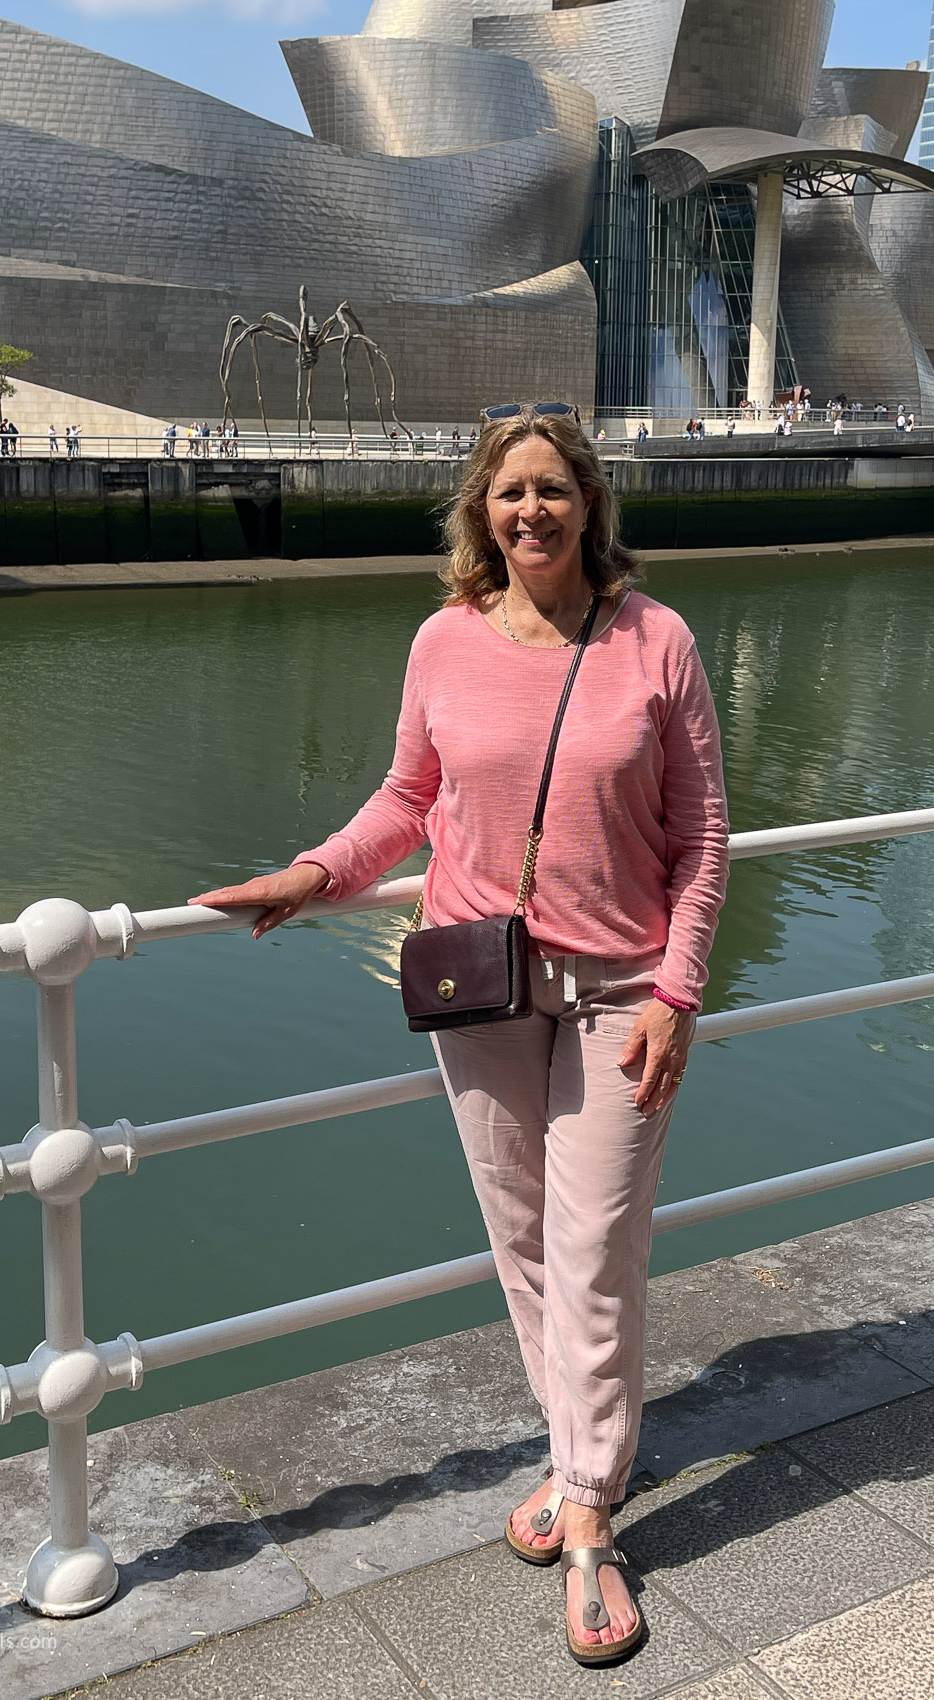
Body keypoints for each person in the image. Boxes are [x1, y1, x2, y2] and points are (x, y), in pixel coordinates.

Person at [189, 408, 728, 1669]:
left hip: (619, 985)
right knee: (525, 1238)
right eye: (507, 493)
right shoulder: (443, 638)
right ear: (480, 512)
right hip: (477, 981)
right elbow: (406, 799)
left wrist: (678, 989)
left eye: (551, 489)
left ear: (590, 503)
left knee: (594, 1247)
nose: (529, 512)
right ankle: (577, 1455)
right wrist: (312, 874)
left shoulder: (657, 641)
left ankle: (589, 1510)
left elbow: (702, 837)